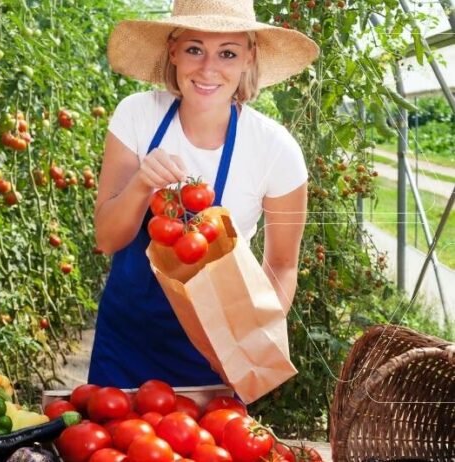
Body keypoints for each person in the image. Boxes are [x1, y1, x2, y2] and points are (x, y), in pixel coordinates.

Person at [90, 0, 320, 388]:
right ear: (173, 51)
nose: (208, 68)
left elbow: (282, 265)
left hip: (213, 353)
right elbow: (107, 238)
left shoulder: (274, 148)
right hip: (125, 343)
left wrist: (248, 343)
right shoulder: (137, 116)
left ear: (250, 57)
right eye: (195, 49)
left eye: (227, 53)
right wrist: (142, 184)